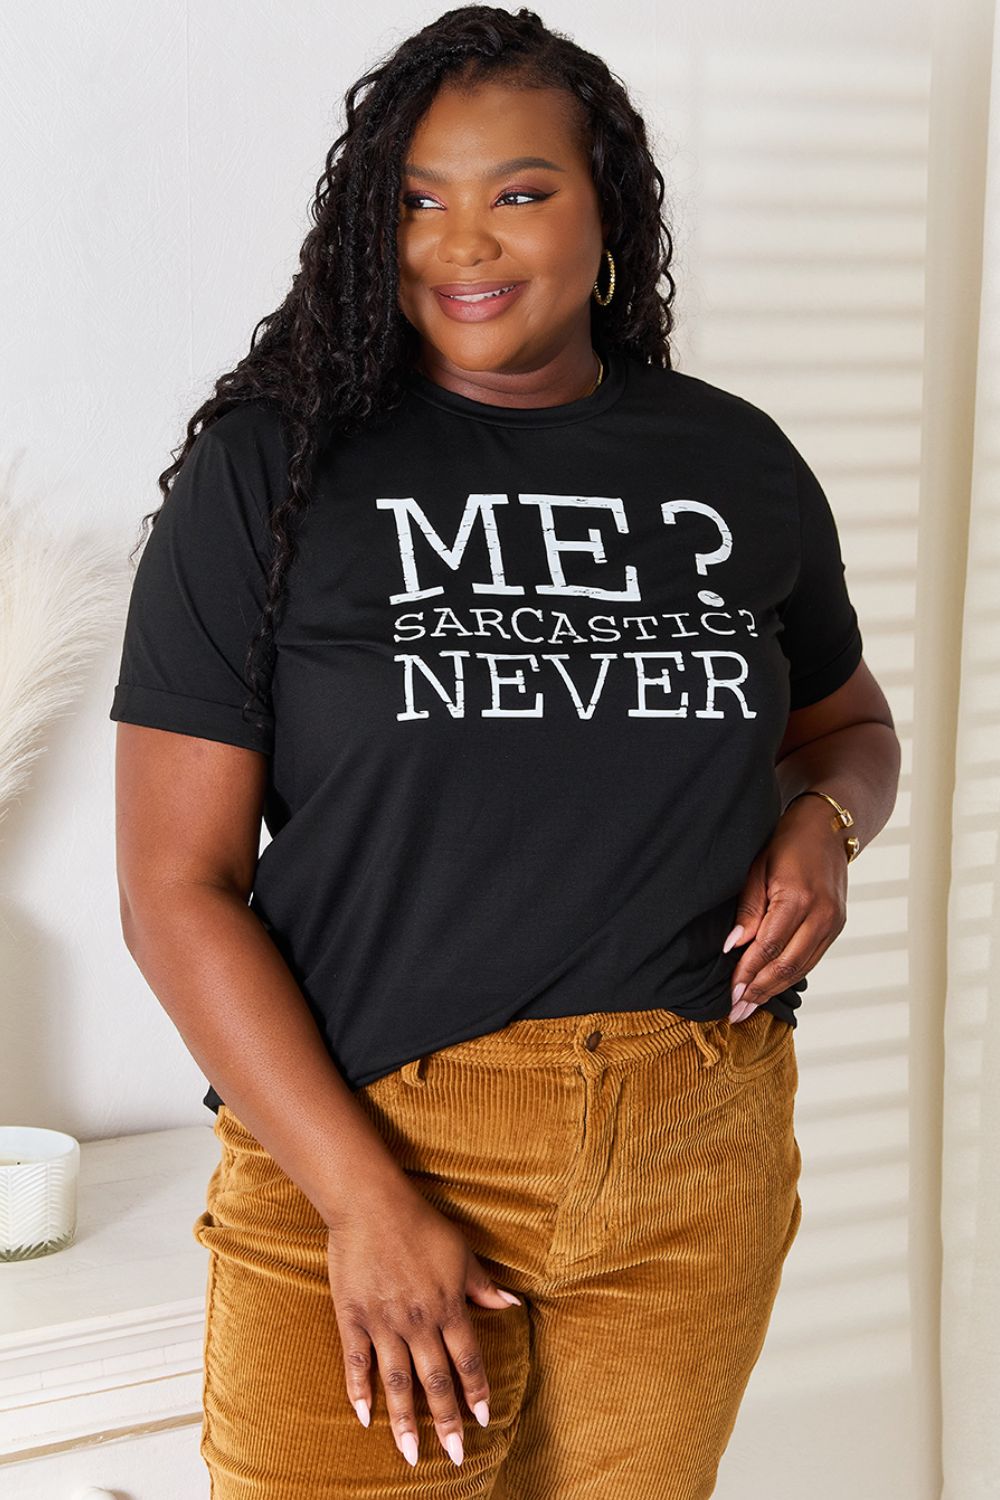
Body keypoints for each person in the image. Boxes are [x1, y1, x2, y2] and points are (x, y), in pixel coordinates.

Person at [110, 6, 901, 1497]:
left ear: (608, 206)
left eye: (520, 191)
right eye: (417, 198)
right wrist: (363, 1203)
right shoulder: (272, 473)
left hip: (692, 1145)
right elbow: (174, 889)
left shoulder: (732, 462)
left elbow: (848, 731)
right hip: (367, 1139)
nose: (463, 243)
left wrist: (827, 830)